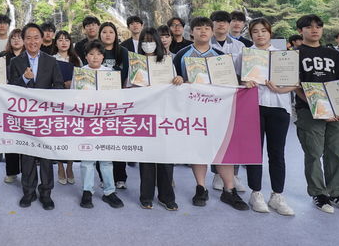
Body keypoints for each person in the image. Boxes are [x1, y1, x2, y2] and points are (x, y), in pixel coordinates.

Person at [173, 16, 249, 210]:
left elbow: (230, 82)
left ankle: (229, 190)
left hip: (218, 110)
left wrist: (244, 85)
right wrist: (180, 81)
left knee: (223, 150)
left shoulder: (220, 56)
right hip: (193, 110)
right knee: (198, 150)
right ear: (192, 33)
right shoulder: (181, 54)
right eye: (199, 28)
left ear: (212, 32)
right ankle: (200, 187)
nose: (203, 31)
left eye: (207, 28)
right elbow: (173, 80)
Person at [293, 14, 339, 215]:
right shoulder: (294, 55)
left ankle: (336, 192)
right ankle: (319, 193)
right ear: (300, 31)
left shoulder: (333, 55)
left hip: (336, 114)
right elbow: (294, 86)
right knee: (313, 153)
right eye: (309, 27)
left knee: (335, 152)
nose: (314, 30)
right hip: (309, 111)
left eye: (318, 26)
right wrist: (318, 107)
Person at [243, 18, 296, 215]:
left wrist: (282, 90)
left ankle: (277, 195)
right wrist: (245, 82)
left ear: (270, 33)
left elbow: (295, 83)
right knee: (254, 153)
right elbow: (238, 79)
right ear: (251, 35)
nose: (260, 35)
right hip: (253, 107)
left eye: (263, 31)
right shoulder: (246, 56)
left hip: (279, 107)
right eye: (255, 31)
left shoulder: (283, 56)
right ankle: (256, 193)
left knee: (277, 153)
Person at [9, 23, 65, 210]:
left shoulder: (51, 61)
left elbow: (59, 86)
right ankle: (28, 192)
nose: (32, 41)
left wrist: (46, 97)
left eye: (36, 37)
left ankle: (46, 193)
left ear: (42, 39)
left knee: (47, 156)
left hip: (45, 116)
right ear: (23, 40)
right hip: (25, 118)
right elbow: (11, 89)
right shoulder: (15, 62)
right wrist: (24, 79)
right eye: (28, 38)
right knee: (27, 155)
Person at [136, 27, 183, 211]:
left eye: (151, 40)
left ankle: (166, 196)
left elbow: (174, 86)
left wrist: (178, 79)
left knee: (165, 156)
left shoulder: (167, 62)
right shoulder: (136, 63)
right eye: (144, 41)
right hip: (143, 114)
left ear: (157, 42)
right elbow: (127, 87)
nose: (148, 44)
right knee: (146, 157)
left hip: (164, 114)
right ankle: (146, 195)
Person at [76, 40, 125, 210]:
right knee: (87, 159)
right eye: (91, 54)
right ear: (86, 56)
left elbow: (117, 99)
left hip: (106, 121)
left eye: (98, 54)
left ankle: (109, 191)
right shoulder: (80, 73)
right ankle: (87, 191)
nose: (95, 57)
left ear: (103, 56)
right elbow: (73, 99)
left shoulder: (110, 74)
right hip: (86, 121)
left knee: (106, 159)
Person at [209, 10, 247, 192]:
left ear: (230, 24)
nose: (221, 25)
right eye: (217, 21)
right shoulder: (205, 44)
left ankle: (234, 175)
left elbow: (244, 72)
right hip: (210, 96)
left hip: (234, 95)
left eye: (225, 21)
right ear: (212, 25)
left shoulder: (240, 47)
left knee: (234, 136)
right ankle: (217, 173)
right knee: (214, 134)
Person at [96, 22, 130, 189]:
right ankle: (103, 177)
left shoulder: (123, 52)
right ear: (99, 34)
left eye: (111, 32)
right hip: (98, 105)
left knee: (117, 140)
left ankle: (120, 177)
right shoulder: (94, 51)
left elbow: (128, 77)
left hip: (118, 103)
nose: (108, 35)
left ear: (116, 35)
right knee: (100, 141)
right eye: (104, 32)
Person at [53, 30, 81, 185]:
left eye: (66, 40)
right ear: (55, 42)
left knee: (71, 135)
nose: (63, 42)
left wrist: (73, 84)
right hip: (57, 103)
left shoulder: (77, 60)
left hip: (73, 104)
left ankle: (70, 166)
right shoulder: (51, 59)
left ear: (71, 42)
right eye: (60, 39)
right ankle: (59, 166)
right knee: (58, 135)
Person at [0, 28, 24, 184]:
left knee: (25, 136)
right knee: (10, 137)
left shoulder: (29, 57)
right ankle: (12, 171)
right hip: (6, 102)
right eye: (13, 38)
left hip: (25, 103)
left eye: (19, 37)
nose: (16, 40)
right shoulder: (3, 57)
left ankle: (28, 171)